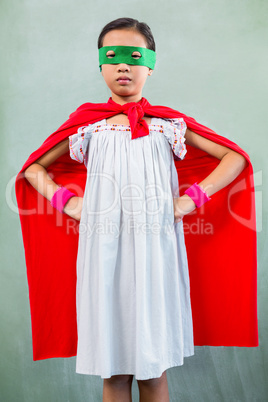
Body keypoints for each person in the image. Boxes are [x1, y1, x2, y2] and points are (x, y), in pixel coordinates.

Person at [16, 17, 258, 402]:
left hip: (155, 252)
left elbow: (234, 158)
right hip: (103, 252)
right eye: (112, 57)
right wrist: (69, 202)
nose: (123, 65)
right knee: (113, 373)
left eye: (134, 56)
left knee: (153, 371)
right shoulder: (87, 127)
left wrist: (190, 199)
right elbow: (33, 168)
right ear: (100, 65)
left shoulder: (168, 125)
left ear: (151, 64)